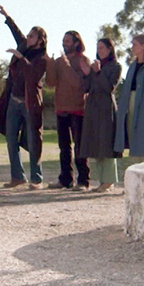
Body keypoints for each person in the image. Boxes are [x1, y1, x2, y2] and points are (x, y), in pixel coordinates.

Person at [0, 5, 48, 189]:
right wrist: (7, 16)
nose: (28, 38)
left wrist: (21, 58)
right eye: (28, 35)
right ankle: (17, 176)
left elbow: (33, 76)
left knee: (33, 140)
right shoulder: (23, 45)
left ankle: (36, 178)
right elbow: (16, 32)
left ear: (40, 41)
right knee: (11, 138)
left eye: (32, 36)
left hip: (30, 104)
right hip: (14, 101)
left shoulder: (43, 58)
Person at [46, 31, 91, 190]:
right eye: (63, 41)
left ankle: (83, 180)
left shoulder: (82, 60)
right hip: (61, 109)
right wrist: (50, 65)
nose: (64, 44)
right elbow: (50, 82)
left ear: (76, 43)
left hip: (78, 110)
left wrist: (66, 65)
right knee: (64, 148)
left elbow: (79, 84)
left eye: (67, 41)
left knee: (79, 147)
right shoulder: (60, 61)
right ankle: (65, 179)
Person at [78, 39, 122, 193]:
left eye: (102, 47)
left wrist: (98, 72)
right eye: (98, 48)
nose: (99, 50)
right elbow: (86, 88)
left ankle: (109, 180)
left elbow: (109, 87)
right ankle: (102, 180)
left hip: (106, 109)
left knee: (106, 145)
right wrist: (86, 74)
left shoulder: (116, 66)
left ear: (110, 49)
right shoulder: (96, 65)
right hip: (92, 109)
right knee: (96, 145)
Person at [114, 34, 144, 161]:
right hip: (130, 107)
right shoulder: (132, 67)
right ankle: (135, 171)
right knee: (134, 142)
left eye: (134, 44)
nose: (132, 47)